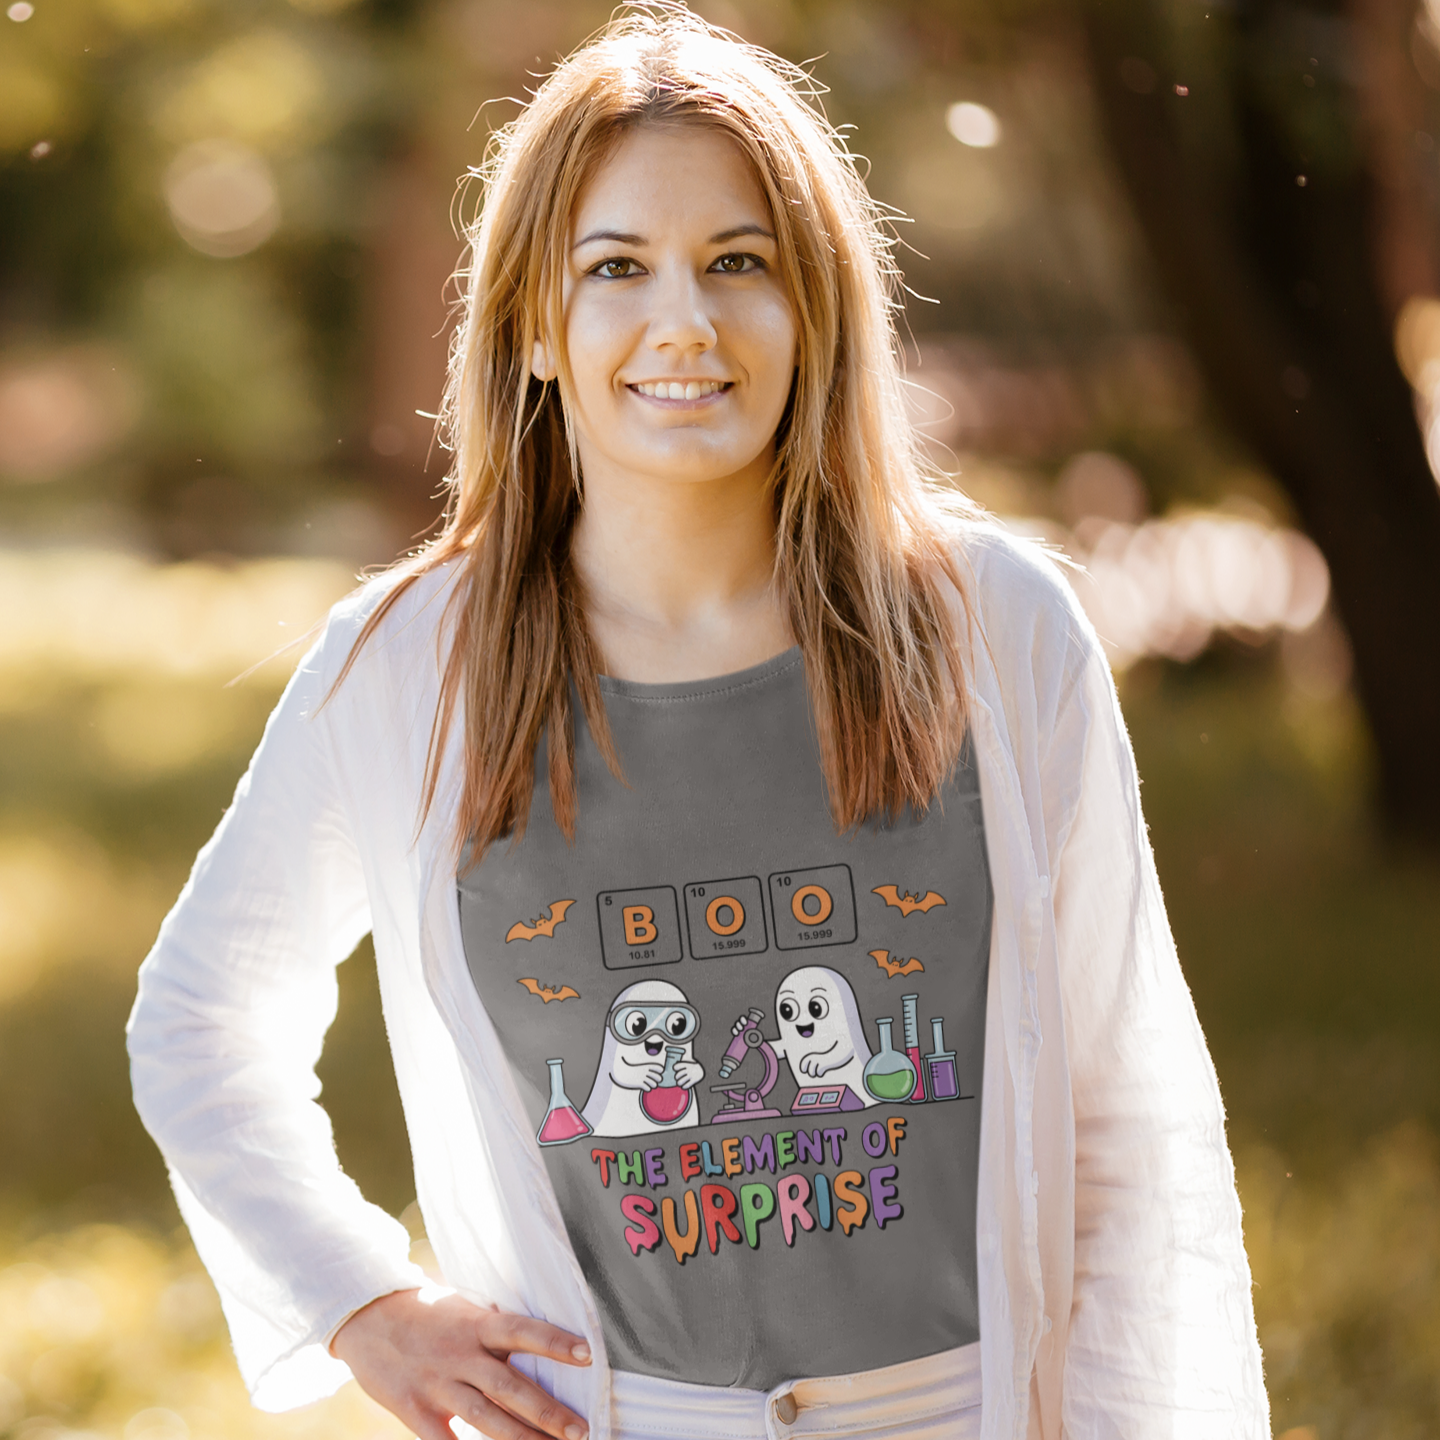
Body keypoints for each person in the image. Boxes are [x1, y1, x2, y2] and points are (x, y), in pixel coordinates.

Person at [126, 9, 1270, 1440]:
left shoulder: (996, 627)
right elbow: (202, 1017)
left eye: (741, 262)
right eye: (617, 268)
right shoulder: (411, 667)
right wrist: (360, 1301)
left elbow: (1125, 1125)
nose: (686, 323)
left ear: (816, 307)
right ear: (535, 326)